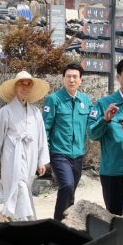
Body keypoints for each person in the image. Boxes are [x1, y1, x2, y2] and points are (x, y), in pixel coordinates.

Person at [0, 71, 50, 220]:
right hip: (12, 155)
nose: (25, 87)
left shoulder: (36, 112)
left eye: (28, 84)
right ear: (15, 87)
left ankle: (13, 218)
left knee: (25, 185)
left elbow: (41, 137)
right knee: (18, 185)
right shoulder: (5, 111)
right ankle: (25, 220)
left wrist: (41, 161)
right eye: (21, 84)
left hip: (30, 155)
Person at [87, 57, 123, 215]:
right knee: (113, 217)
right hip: (112, 171)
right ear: (118, 77)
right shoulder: (104, 104)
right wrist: (105, 120)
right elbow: (92, 134)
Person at [43, 63, 91, 221]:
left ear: (80, 80)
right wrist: (44, 155)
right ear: (63, 79)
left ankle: (68, 223)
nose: (72, 80)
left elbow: (92, 125)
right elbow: (45, 128)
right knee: (67, 185)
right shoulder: (54, 99)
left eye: (75, 77)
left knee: (71, 192)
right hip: (59, 153)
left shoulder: (85, 100)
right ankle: (57, 223)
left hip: (78, 154)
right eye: (68, 76)